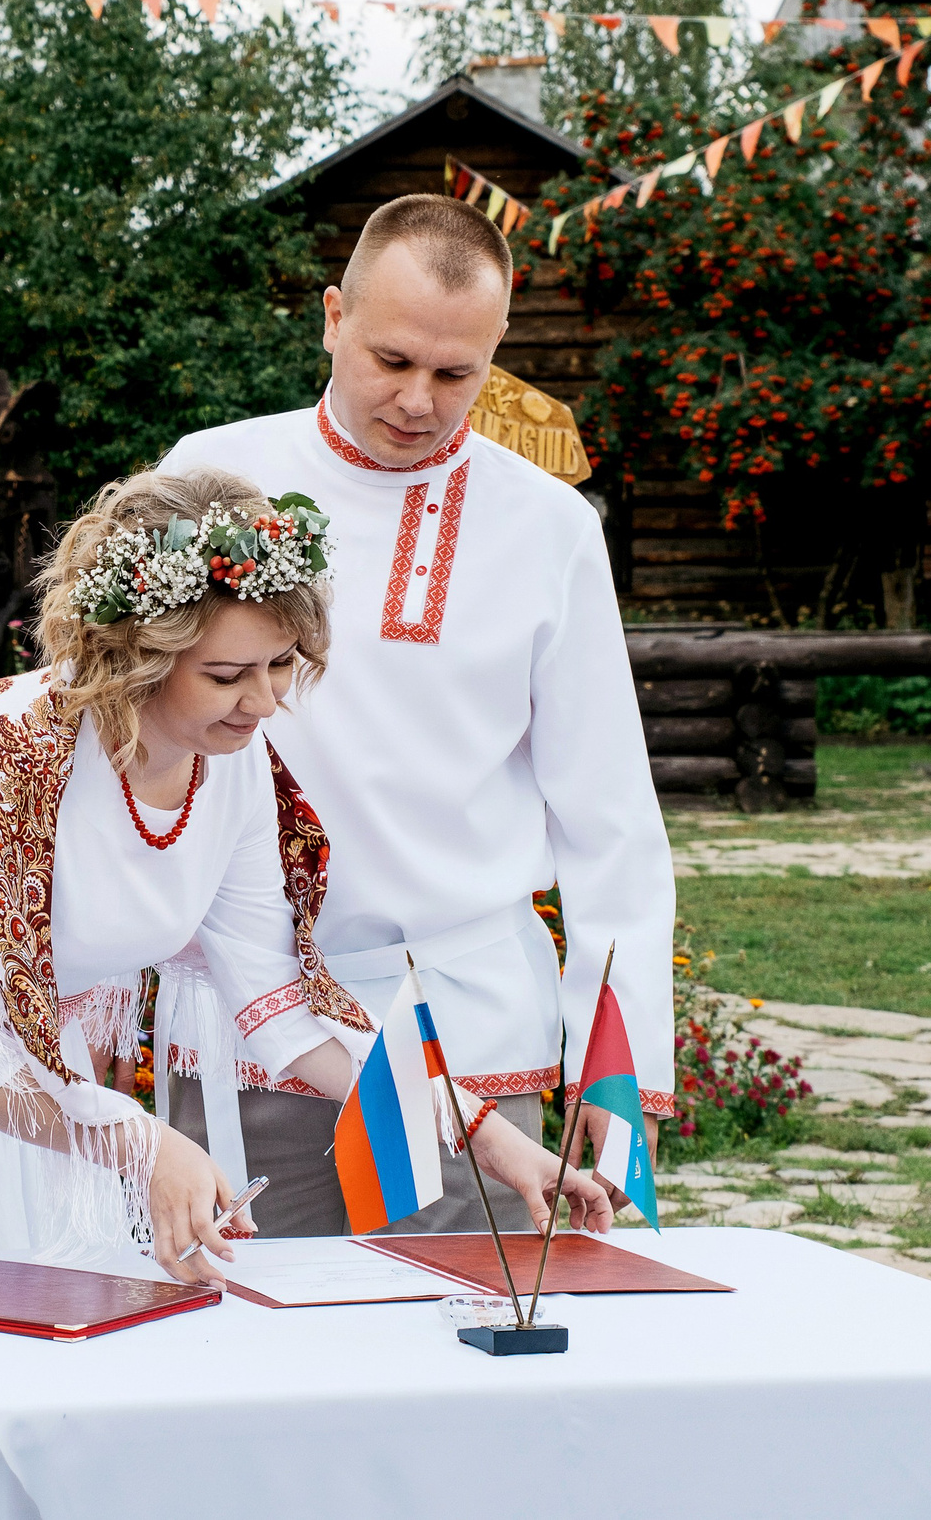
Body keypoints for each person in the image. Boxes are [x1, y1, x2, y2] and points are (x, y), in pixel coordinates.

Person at [0, 467, 613, 1280]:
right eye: (228, 674)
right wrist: (140, 1143)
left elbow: (282, 1012)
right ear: (134, 657)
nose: (264, 703)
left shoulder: (231, 768)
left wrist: (489, 1137)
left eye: (278, 667)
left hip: (41, 1087)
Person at [158, 193, 674, 1237]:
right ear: (331, 317)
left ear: (496, 351)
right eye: (391, 361)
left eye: (455, 374)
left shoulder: (548, 526)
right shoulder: (208, 479)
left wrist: (623, 1090)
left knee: (477, 1368)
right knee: (237, 1364)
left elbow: (607, 820)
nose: (418, 401)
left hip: (476, 1031)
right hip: (249, 1028)